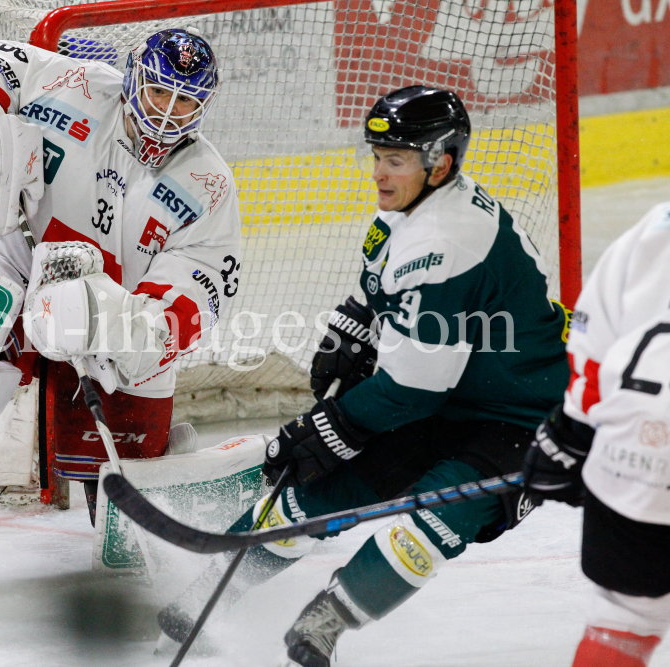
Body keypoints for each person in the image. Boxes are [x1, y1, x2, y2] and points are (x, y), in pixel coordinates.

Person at [157, 85, 570, 666]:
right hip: (446, 398)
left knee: (433, 516)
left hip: (519, 417)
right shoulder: (414, 205)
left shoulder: (444, 240)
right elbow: (382, 284)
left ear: (440, 161)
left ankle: (326, 621)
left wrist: (329, 425)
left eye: (394, 159)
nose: (378, 172)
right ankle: (210, 592)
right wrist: (352, 326)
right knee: (318, 493)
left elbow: (410, 387)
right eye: (377, 155)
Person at [0, 28, 241, 518]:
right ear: (134, 79)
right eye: (159, 91)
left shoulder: (208, 182)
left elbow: (202, 288)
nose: (167, 112)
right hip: (19, 266)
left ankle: (132, 504)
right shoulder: (76, 86)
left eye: (185, 100)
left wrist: (120, 326)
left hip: (116, 326)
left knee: (126, 483)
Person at [523, 201, 670, 667]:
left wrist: (570, 436)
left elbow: (592, 343)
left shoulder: (657, 225)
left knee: (624, 617)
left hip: (631, 458)